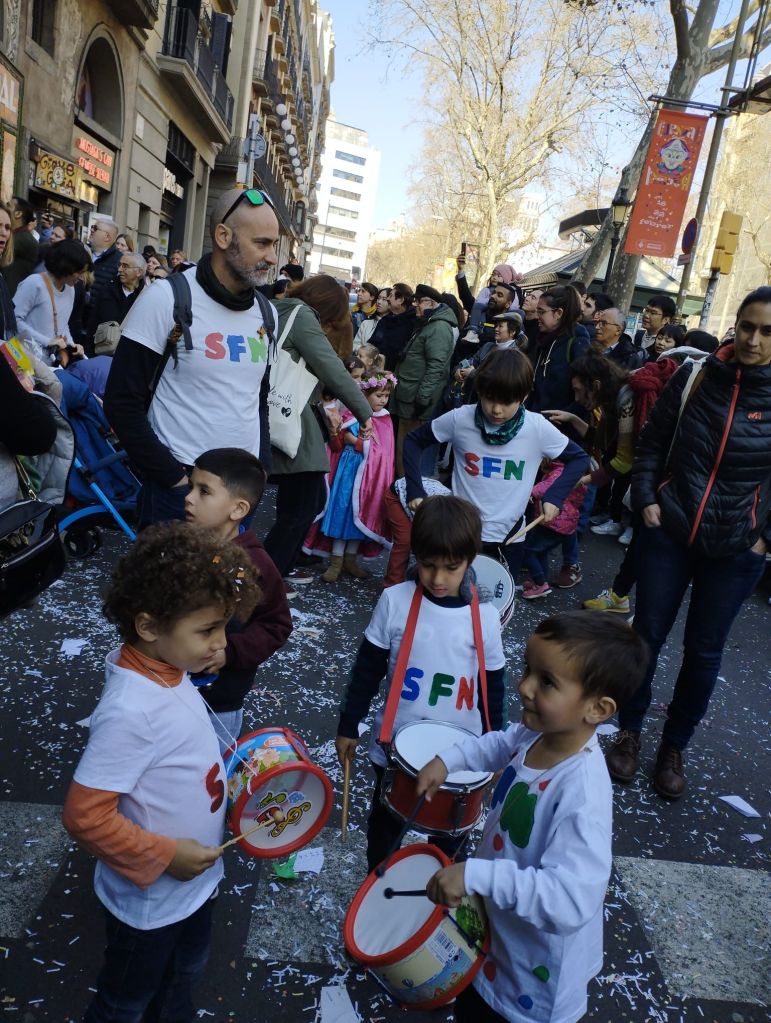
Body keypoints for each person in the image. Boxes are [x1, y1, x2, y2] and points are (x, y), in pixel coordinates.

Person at [61, 522, 261, 1023]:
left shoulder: (167, 669)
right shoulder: (131, 711)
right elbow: (85, 817)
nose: (220, 643)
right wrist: (166, 854)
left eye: (223, 627)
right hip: (151, 905)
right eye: (207, 631)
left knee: (182, 979)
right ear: (149, 627)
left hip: (193, 887)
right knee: (125, 1002)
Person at [416, 612, 649, 1023]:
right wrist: (449, 760)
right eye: (528, 670)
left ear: (597, 708)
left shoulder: (582, 793)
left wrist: (476, 874)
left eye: (547, 682)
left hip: (533, 982)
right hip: (496, 936)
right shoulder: (539, 732)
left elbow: (569, 899)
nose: (524, 686)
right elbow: (499, 744)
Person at [605, 286, 771, 800]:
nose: (755, 340)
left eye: (768, 332)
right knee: (647, 635)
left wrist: (763, 538)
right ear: (735, 325)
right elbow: (652, 441)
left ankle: (674, 746)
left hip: (737, 548)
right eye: (748, 326)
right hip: (670, 530)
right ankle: (629, 731)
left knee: (703, 652)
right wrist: (646, 498)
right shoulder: (695, 374)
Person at [335, 495, 506, 871]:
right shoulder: (394, 601)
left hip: (462, 753)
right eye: (428, 565)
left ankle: (440, 896)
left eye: (451, 568)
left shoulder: (485, 617)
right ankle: (378, 886)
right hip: (395, 747)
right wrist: (349, 724)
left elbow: (493, 686)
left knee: (449, 841)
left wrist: (497, 744)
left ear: (471, 560)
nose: (438, 579)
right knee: (385, 831)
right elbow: (367, 669)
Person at [104, 186, 281, 527]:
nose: (272, 257)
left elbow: (258, 397)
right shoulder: (165, 298)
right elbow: (121, 401)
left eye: (273, 245)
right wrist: (172, 478)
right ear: (223, 236)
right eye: (261, 243)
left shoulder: (267, 313)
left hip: (241, 491)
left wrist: (262, 467)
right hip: (181, 492)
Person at [404, 348, 589, 580]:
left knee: (496, 600)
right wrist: (415, 489)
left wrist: (554, 496)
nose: (496, 409)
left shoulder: (537, 428)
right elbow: (413, 441)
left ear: (523, 396)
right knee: (450, 594)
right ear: (480, 391)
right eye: (489, 398)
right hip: (460, 533)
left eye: (507, 401)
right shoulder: (460, 418)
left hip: (510, 538)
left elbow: (579, 459)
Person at [263, 274, 374, 589]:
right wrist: (364, 412)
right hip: (293, 416)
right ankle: (268, 576)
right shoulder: (302, 316)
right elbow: (331, 367)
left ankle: (280, 566)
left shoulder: (279, 307)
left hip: (278, 409)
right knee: (302, 503)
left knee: (302, 501)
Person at [184, 448, 292, 753]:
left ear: (238, 509)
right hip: (167, 687)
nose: (189, 498)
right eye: (191, 487)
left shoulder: (254, 565)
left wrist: (230, 652)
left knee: (209, 771)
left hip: (217, 702)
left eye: (204, 491)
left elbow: (276, 624)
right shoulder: (181, 547)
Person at [305, 370, 396, 582]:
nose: (383, 400)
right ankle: (335, 562)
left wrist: (356, 442)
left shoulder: (385, 419)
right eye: (378, 395)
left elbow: (384, 452)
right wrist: (337, 433)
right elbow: (336, 445)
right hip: (347, 474)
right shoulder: (351, 415)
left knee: (360, 516)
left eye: (386, 396)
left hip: (369, 481)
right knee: (342, 512)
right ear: (364, 395)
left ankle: (350, 560)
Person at [392, 284, 457, 476]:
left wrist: (422, 398)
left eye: (419, 301)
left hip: (416, 401)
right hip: (409, 396)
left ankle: (407, 488)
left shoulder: (438, 327)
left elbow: (436, 367)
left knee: (408, 451)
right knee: (403, 448)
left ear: (431, 303)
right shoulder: (429, 323)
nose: (415, 305)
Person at [13, 239, 92, 364]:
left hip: (49, 361)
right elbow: (14, 320)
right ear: (67, 267)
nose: (82, 277)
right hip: (23, 358)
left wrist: (71, 344)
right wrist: (47, 341)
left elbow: (62, 324)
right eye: (79, 272)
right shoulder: (34, 283)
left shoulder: (70, 289)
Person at [520, 461, 586, 599]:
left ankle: (540, 584)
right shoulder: (573, 470)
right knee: (541, 551)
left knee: (529, 551)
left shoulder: (558, 472)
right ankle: (540, 581)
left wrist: (530, 492)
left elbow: (546, 487)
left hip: (553, 522)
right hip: (565, 522)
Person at [527, 286, 590, 413]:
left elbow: (583, 391)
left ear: (559, 313)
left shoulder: (577, 342)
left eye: (541, 312)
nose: (537, 316)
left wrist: (566, 416)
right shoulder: (544, 340)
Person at [455, 256, 520, 336]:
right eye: (493, 293)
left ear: (508, 303)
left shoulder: (510, 321)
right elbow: (467, 298)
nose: (493, 296)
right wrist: (460, 270)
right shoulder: (478, 308)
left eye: (500, 295)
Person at [90, 251, 146, 339]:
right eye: (120, 265)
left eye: (125, 266)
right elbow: (93, 321)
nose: (119, 269)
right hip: (103, 345)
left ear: (139, 272)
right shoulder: (107, 289)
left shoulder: (145, 297)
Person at [369, 282, 417, 371]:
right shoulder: (384, 321)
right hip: (376, 371)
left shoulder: (413, 324)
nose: (388, 298)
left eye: (390, 296)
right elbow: (372, 345)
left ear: (400, 300)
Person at [1, 196, 40, 297]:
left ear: (18, 214)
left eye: (8, 205)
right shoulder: (18, 235)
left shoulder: (24, 239)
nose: (5, 207)